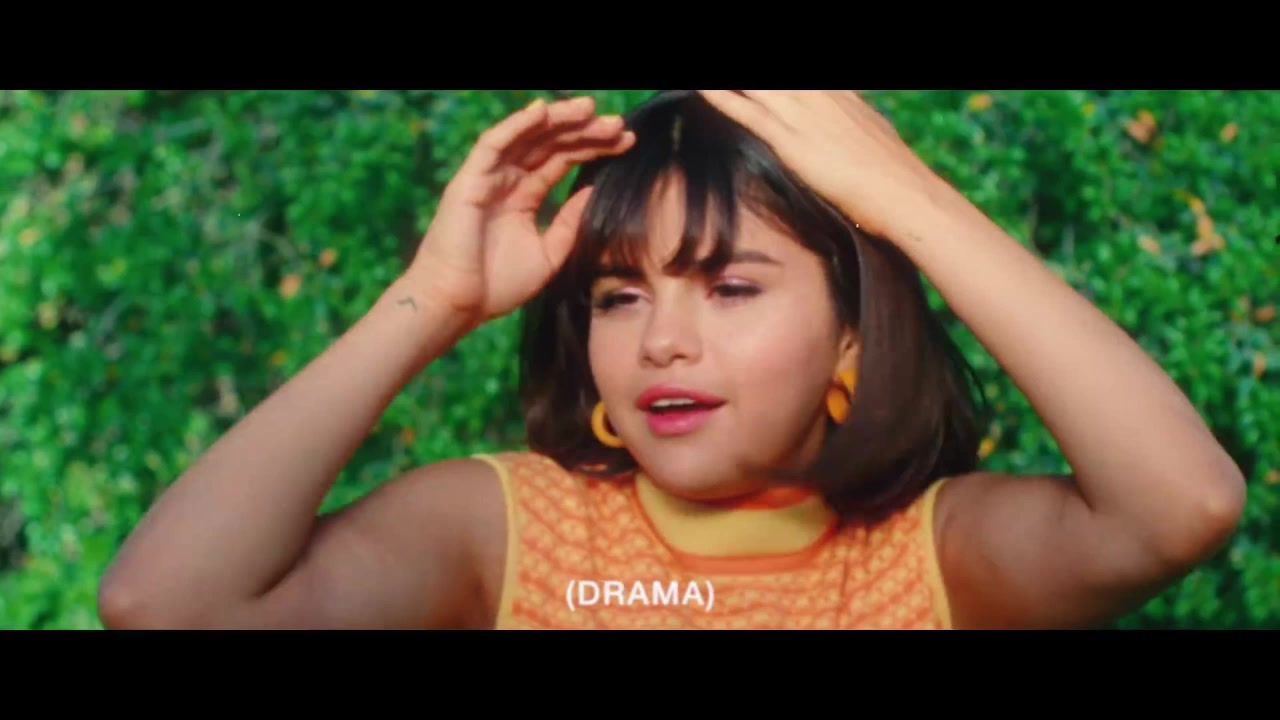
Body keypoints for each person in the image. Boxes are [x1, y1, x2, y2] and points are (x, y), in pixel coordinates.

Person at [96, 90, 1246, 630]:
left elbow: (1180, 505)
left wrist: (906, 199)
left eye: (731, 288)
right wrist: (431, 302)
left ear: (851, 337)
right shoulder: (502, 534)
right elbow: (164, 603)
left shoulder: (932, 562)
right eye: (618, 296)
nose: (661, 341)